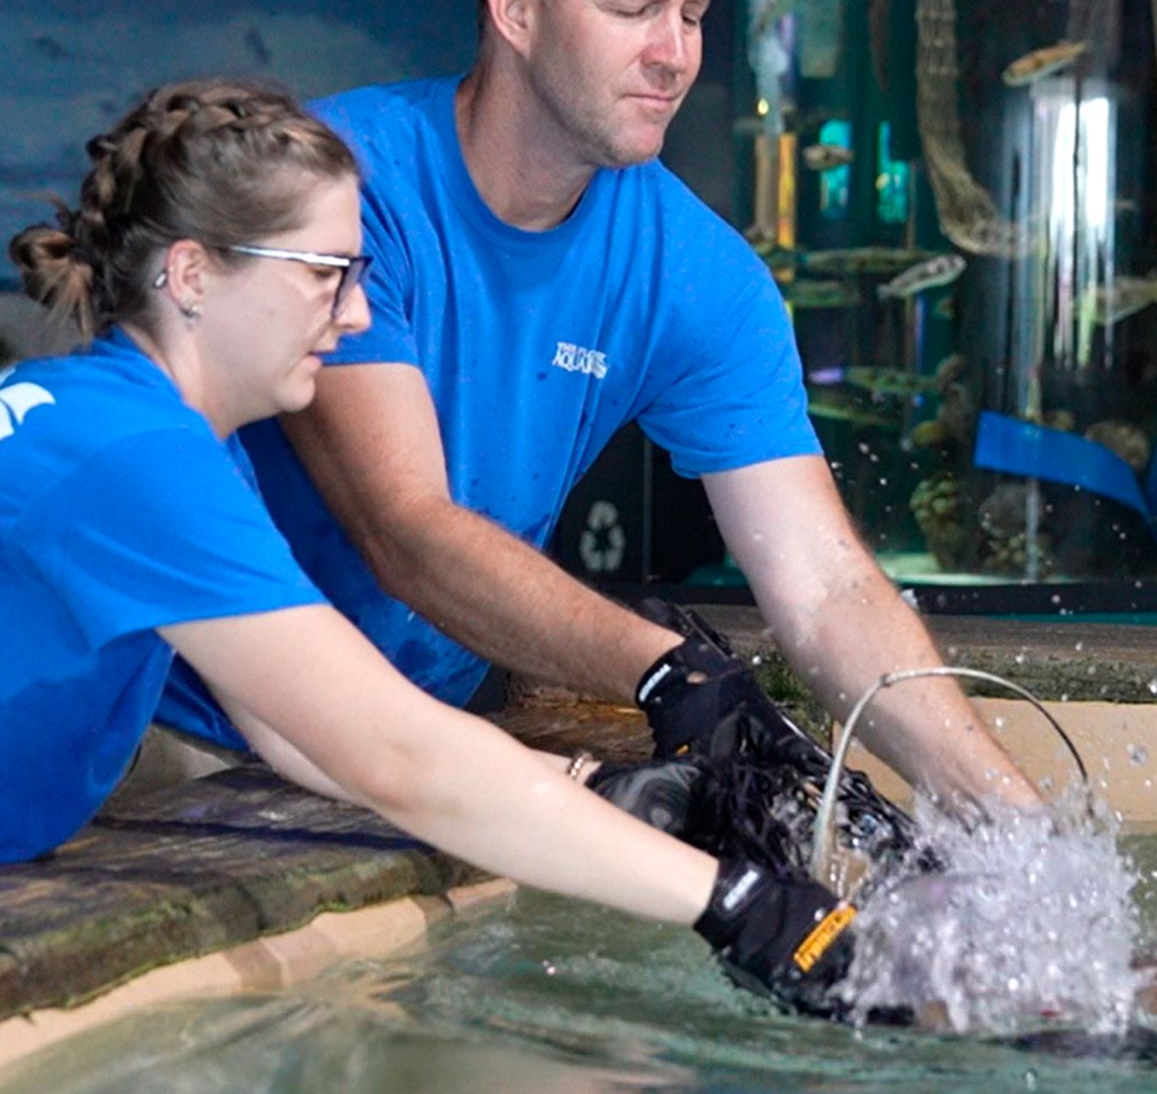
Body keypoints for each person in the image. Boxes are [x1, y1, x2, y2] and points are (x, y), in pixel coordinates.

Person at [0, 79, 869, 1019]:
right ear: (193, 275)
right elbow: (394, 754)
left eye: (360, 271)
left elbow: (294, 727)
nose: (357, 313)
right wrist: (738, 904)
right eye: (321, 272)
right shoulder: (140, 458)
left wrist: (593, 787)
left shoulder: (159, 437)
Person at [154, 0, 1038, 815]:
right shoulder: (341, 190)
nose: (675, 54)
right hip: (183, 730)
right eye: (632, 11)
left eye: (692, 16)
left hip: (420, 738)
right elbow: (406, 530)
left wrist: (1010, 820)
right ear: (517, 13)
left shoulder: (700, 274)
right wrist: (664, 669)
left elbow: (827, 589)